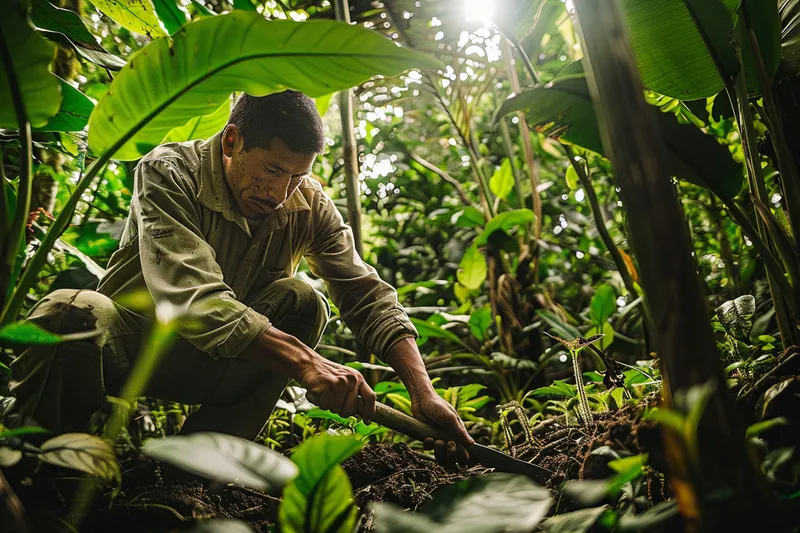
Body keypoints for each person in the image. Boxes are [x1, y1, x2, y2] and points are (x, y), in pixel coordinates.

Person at [10, 90, 472, 465]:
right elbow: (193, 299)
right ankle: (48, 474)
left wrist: (423, 393)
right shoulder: (168, 172)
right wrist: (310, 364)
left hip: (215, 370)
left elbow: (366, 295)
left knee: (303, 300)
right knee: (69, 310)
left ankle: (187, 477)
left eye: (296, 176)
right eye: (272, 169)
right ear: (232, 141)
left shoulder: (306, 202)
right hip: (129, 353)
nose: (279, 191)